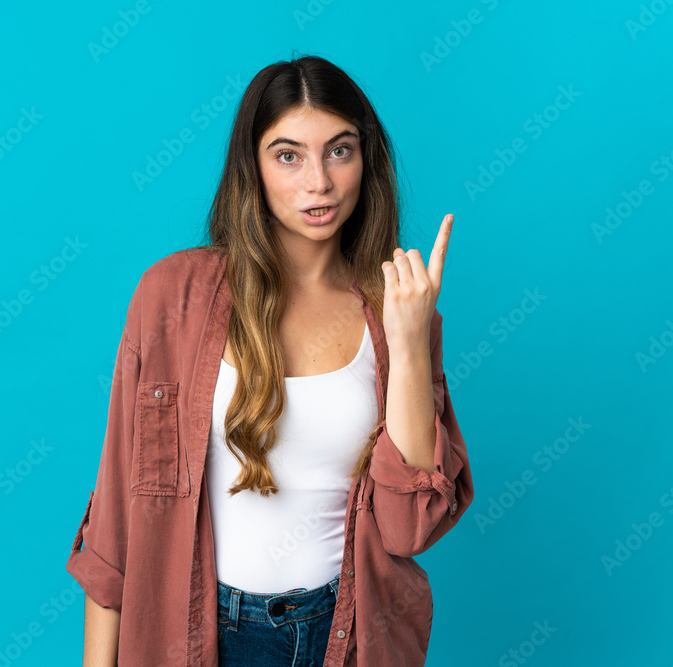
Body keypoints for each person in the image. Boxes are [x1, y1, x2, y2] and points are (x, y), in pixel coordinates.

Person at [67, 54, 473, 666]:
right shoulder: (171, 296)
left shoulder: (396, 314)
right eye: (288, 155)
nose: (319, 182)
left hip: (345, 638)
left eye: (340, 150)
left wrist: (412, 340)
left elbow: (409, 526)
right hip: (196, 637)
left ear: (367, 160)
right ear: (252, 167)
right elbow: (118, 525)